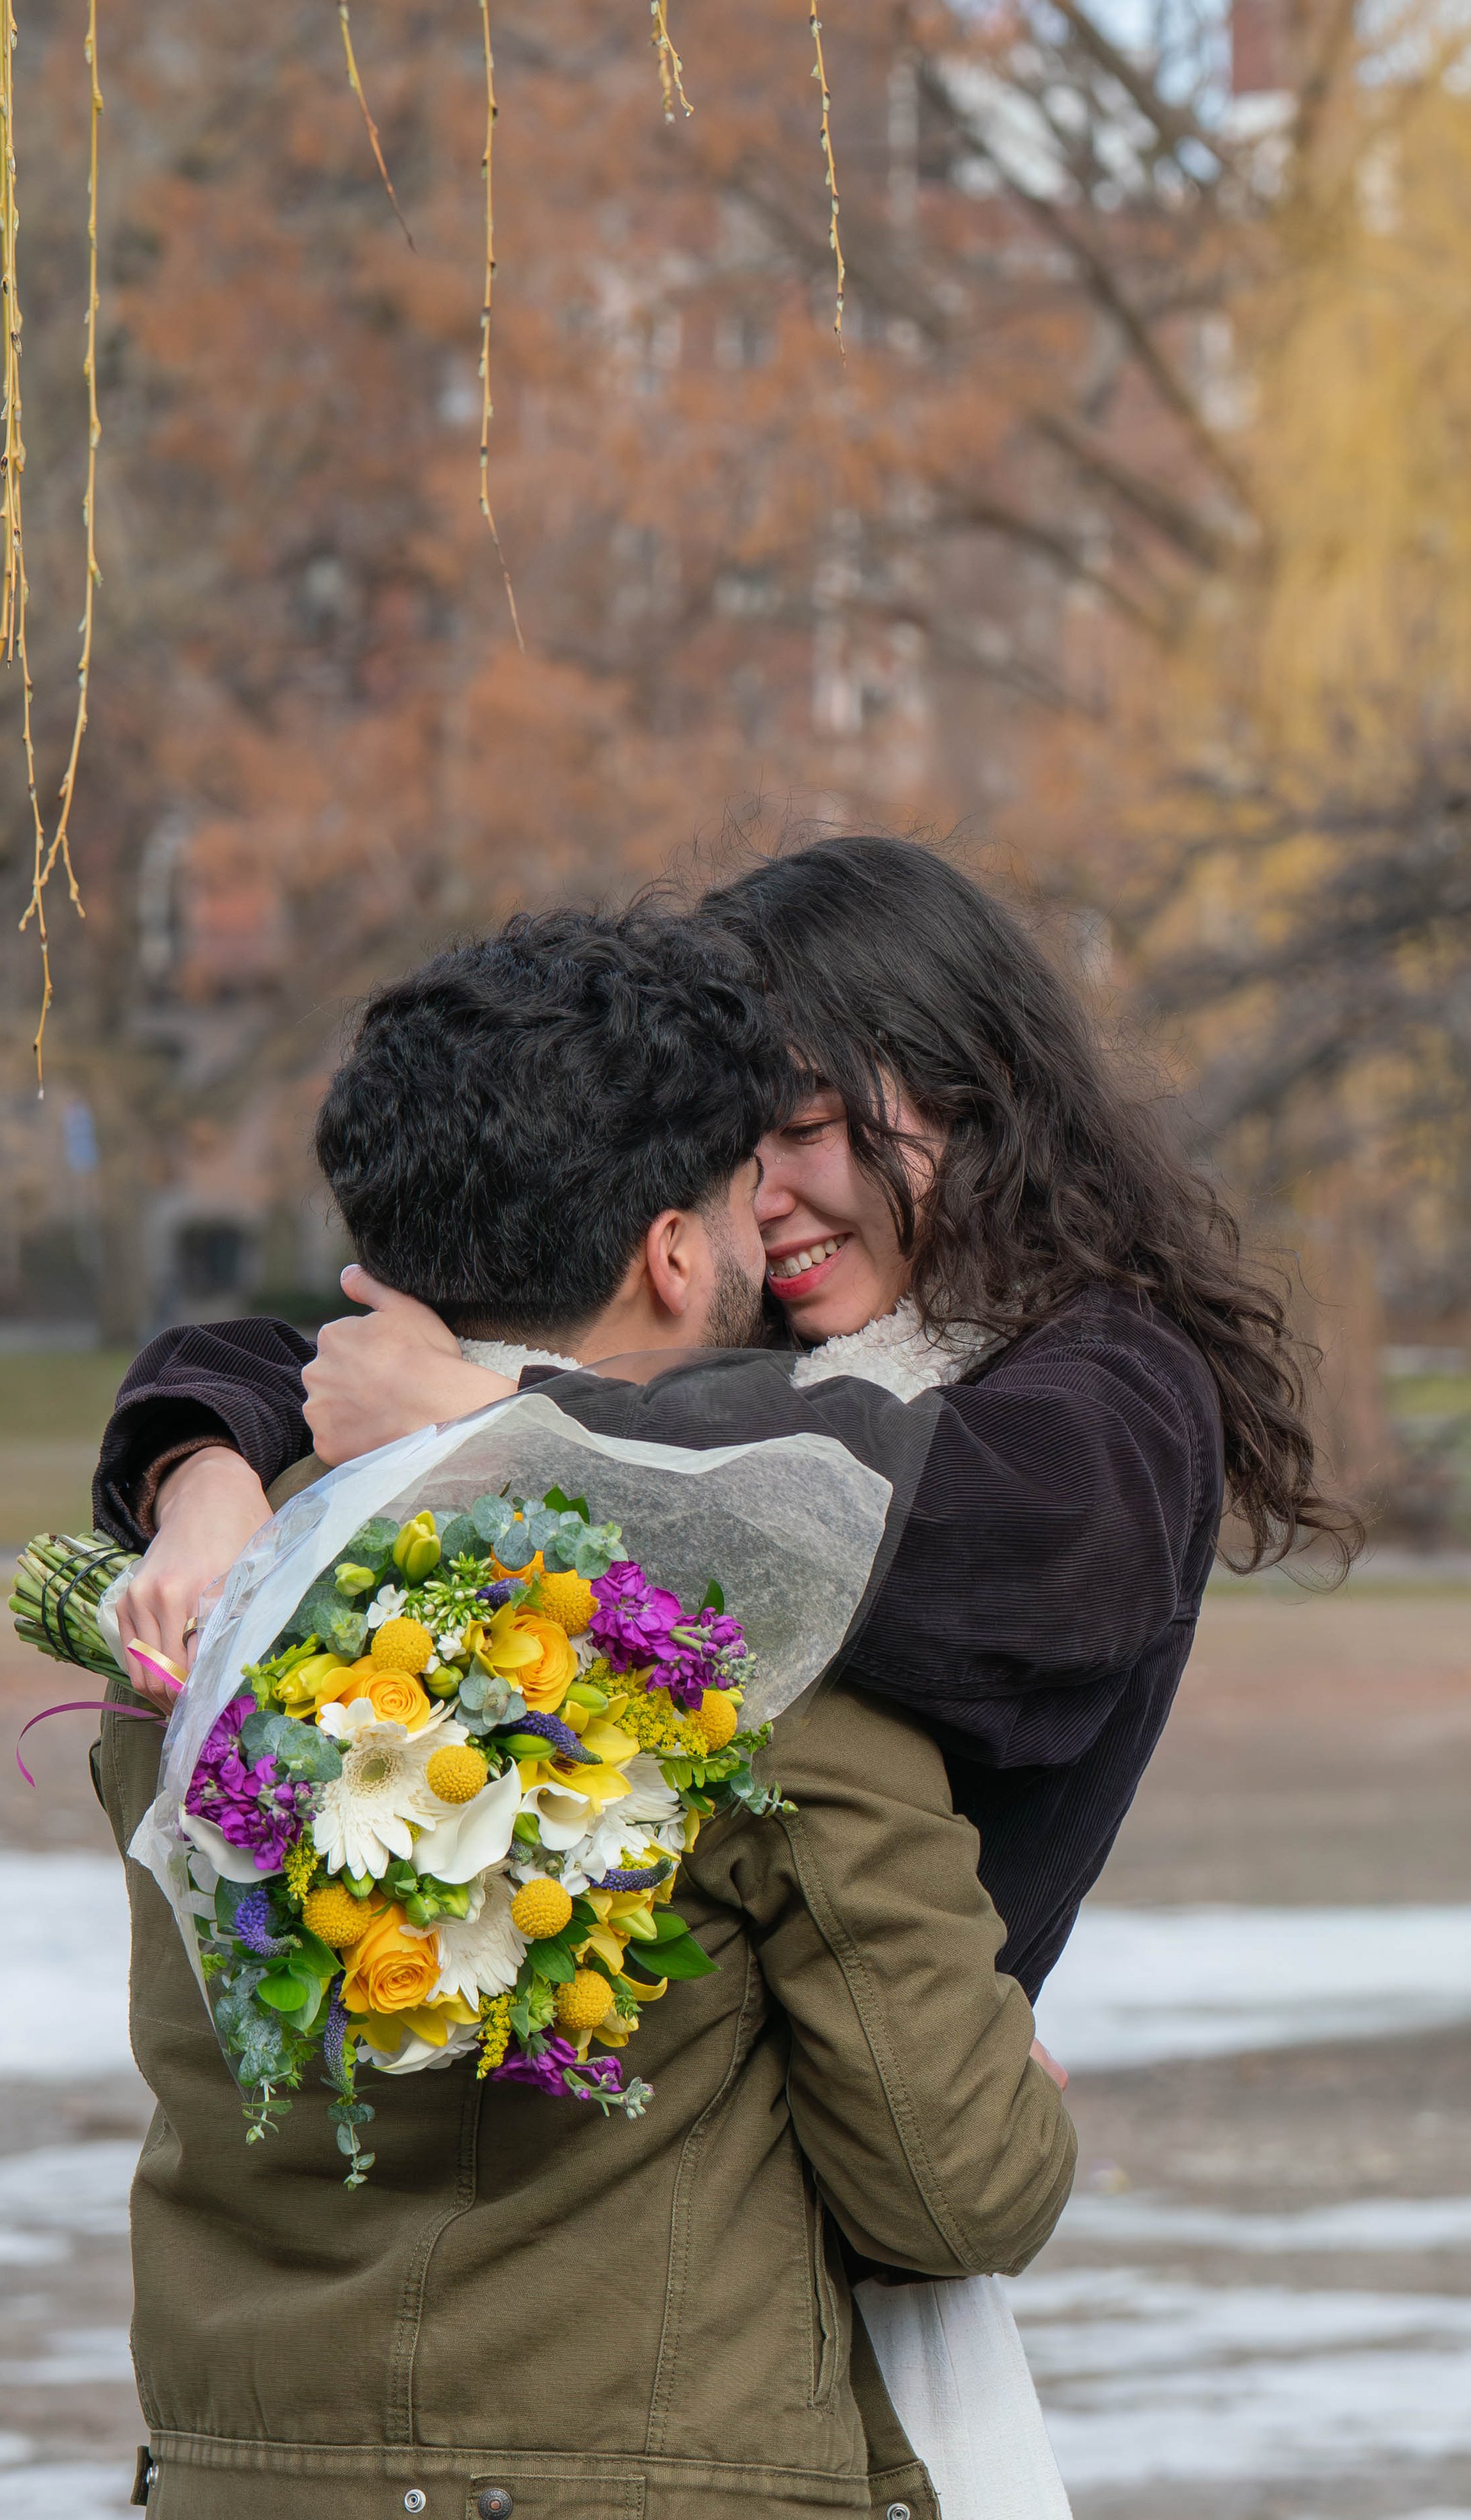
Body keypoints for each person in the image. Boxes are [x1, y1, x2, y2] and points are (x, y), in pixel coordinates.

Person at [91, 906, 1075, 2519]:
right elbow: (948, 2179)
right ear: (675, 1253)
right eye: (735, 1191)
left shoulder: (220, 1576)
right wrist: (1024, 2105)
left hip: (234, 2472)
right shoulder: (735, 1611)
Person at [101, 837, 1353, 2006]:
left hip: (874, 2122)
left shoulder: (1109, 1381)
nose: (765, 1201)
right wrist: (204, 1476)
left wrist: (512, 1419)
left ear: (983, 1090)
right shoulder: (775, 1337)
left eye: (809, 1130)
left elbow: (974, 1541)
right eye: (733, 1153)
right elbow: (313, 1354)